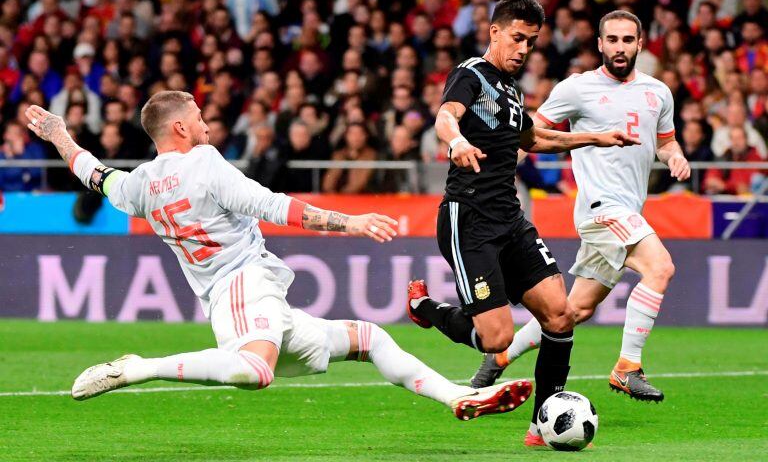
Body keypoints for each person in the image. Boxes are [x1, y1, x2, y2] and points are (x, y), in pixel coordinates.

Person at [25, 92, 531, 421]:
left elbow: (93, 173)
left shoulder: (137, 186)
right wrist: (349, 222)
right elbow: (272, 206)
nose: (206, 125)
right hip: (243, 284)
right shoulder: (203, 162)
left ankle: (459, 397)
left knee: (368, 338)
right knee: (254, 372)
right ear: (179, 128)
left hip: (240, 299)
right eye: (198, 117)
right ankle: (141, 367)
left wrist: (58, 136)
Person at [404, 0, 637, 447]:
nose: (523, 49)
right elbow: (445, 117)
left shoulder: (511, 91)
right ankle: (425, 309)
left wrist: (596, 138)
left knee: (561, 315)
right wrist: (456, 142)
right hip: (467, 218)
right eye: (516, 38)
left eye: (530, 42)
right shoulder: (471, 75)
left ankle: (540, 427)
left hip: (510, 219)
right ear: (494, 32)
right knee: (496, 340)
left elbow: (533, 139)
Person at [470, 10, 691, 405]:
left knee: (572, 311)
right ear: (600, 44)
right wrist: (498, 168)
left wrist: (675, 155)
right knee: (661, 267)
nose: (620, 47)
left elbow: (666, 141)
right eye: (613, 40)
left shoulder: (659, 92)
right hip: (600, 208)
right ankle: (628, 367)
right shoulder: (577, 88)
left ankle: (503, 354)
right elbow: (531, 133)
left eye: (628, 40)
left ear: (640, 44)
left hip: (629, 210)